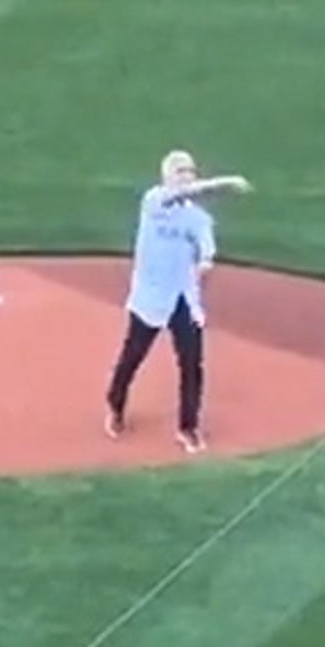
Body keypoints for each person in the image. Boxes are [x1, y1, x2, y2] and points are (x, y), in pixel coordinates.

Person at [104, 149, 251, 453]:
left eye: (189, 171)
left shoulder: (199, 219)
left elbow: (206, 252)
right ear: (166, 176)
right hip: (150, 296)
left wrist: (205, 265)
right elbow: (186, 193)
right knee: (133, 356)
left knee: (191, 364)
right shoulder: (154, 201)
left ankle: (188, 427)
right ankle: (115, 406)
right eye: (179, 172)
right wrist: (225, 183)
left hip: (183, 298)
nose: (186, 177)